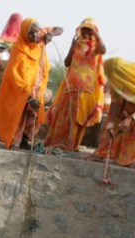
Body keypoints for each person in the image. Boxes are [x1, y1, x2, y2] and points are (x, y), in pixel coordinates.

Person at [0, 18, 61, 150]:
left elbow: (59, 29)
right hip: (19, 90)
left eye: (36, 32)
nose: (34, 35)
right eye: (31, 33)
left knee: (33, 115)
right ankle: (12, 141)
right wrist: (29, 97)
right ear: (25, 32)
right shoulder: (19, 49)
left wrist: (50, 35)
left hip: (35, 89)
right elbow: (15, 77)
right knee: (18, 114)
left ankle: (25, 140)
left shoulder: (40, 44)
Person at [44, 18, 106, 152]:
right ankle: (56, 142)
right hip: (70, 86)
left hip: (86, 88)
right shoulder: (77, 44)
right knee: (63, 116)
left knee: (79, 118)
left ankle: (71, 145)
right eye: (85, 30)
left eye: (90, 30)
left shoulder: (96, 46)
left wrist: (97, 35)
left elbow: (103, 50)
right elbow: (67, 63)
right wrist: (72, 48)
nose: (87, 33)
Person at [88, 58, 135, 167]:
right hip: (131, 95)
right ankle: (101, 153)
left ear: (118, 73)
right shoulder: (116, 78)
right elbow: (114, 103)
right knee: (113, 123)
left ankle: (125, 159)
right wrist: (111, 125)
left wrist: (131, 118)